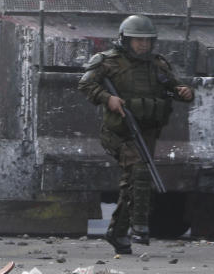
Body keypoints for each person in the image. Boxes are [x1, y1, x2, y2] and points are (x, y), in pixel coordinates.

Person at [78, 14, 194, 255]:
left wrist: (183, 92)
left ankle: (118, 233)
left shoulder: (157, 64)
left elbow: (173, 87)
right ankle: (139, 227)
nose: (143, 45)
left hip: (147, 131)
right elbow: (86, 84)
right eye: (137, 40)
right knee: (140, 171)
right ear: (125, 40)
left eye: (147, 41)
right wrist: (107, 98)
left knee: (133, 182)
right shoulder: (107, 62)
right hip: (118, 131)